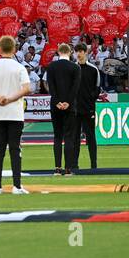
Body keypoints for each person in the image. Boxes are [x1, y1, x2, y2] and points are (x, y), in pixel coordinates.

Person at [0, 37, 31, 195]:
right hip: (14, 113)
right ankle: (17, 185)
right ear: (14, 49)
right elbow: (27, 88)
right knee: (15, 149)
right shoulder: (19, 67)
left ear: (0, 49)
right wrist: (10, 98)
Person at [45, 43, 80, 174]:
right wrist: (68, 102)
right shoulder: (75, 67)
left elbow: (51, 87)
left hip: (55, 105)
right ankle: (68, 168)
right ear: (70, 52)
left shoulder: (51, 67)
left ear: (58, 52)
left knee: (57, 136)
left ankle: (57, 167)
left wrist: (57, 101)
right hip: (70, 107)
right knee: (69, 137)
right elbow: (75, 88)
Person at [74, 44, 100, 169]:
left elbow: (97, 88)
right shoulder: (73, 68)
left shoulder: (93, 69)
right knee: (74, 139)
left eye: (81, 51)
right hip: (74, 110)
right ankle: (74, 165)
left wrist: (90, 99)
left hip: (89, 109)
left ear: (86, 52)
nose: (78, 54)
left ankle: (93, 165)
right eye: (76, 51)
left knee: (91, 137)